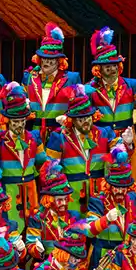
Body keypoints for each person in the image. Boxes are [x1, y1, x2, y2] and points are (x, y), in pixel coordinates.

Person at [87, 26, 136, 189]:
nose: (111, 69)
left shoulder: (131, 84)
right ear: (99, 69)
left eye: (114, 65)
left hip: (127, 136)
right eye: (107, 66)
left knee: (129, 178)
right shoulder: (91, 88)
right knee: (102, 179)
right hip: (102, 138)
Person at [0, 82, 48, 234]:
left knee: (33, 233)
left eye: (22, 121)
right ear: (8, 121)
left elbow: (43, 165)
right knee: (12, 234)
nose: (19, 125)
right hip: (9, 195)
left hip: (31, 196)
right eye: (16, 122)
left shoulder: (34, 138)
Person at [44, 84, 116, 216]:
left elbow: (119, 153)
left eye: (88, 117)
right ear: (72, 120)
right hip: (72, 198)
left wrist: (126, 146)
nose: (86, 122)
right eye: (81, 119)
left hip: (99, 197)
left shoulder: (105, 133)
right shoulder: (59, 137)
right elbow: (50, 169)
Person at [83, 145, 136, 270]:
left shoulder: (133, 198)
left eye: (123, 188)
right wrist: (106, 218)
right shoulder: (98, 201)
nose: (119, 191)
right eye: (116, 187)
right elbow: (88, 231)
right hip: (102, 255)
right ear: (109, 185)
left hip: (126, 256)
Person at [24, 23, 80, 139]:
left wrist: (66, 120)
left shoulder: (71, 79)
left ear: (59, 61)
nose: (47, 62)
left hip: (61, 135)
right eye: (44, 58)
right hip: (34, 136)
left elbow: (78, 107)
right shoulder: (29, 77)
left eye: (52, 59)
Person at [26, 160, 82, 264]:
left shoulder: (73, 217)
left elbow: (80, 247)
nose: (64, 203)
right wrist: (37, 250)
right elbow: (31, 244)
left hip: (68, 266)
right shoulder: (37, 218)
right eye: (60, 200)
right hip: (45, 266)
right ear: (49, 200)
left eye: (66, 199)